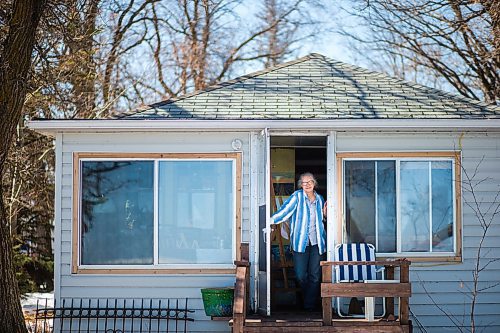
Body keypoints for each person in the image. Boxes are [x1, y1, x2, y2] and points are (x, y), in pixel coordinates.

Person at [270, 172, 327, 311]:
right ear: (300, 184)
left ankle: (309, 306)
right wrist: (270, 221)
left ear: (314, 184)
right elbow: (285, 211)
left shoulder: (320, 199)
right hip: (300, 242)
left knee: (315, 276)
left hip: (317, 242)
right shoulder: (297, 197)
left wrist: (325, 215)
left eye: (309, 182)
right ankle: (308, 300)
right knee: (301, 275)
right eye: (303, 182)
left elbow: (323, 220)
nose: (306, 185)